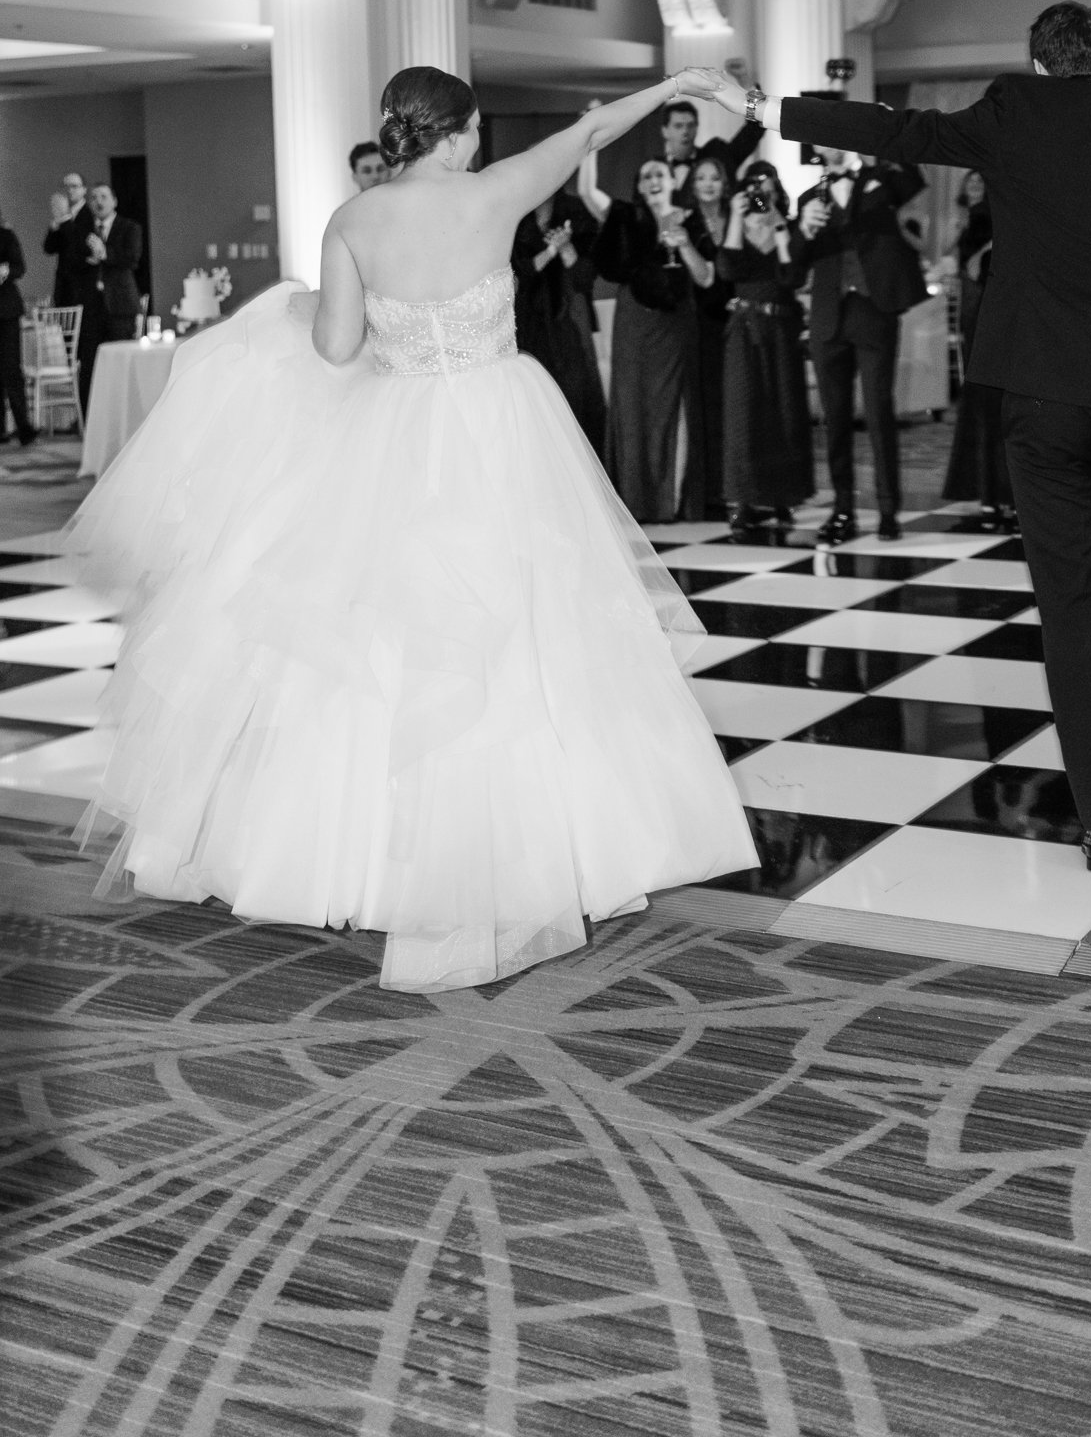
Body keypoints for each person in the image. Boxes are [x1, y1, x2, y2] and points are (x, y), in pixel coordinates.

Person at [64, 64, 756, 993]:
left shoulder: (354, 219)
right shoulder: (495, 192)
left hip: (391, 433)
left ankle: (363, 861)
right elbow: (592, 132)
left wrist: (312, 309)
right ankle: (530, 853)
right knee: (520, 631)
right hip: (500, 428)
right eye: (472, 130)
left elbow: (336, 349)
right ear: (459, 132)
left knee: (383, 644)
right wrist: (678, 84)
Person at [686, 2, 1091, 875]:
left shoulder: (1009, 114)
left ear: (1037, 64)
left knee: (1066, 604)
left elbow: (894, 131)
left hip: (1040, 398)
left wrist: (757, 106)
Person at [790, 148, 928, 545]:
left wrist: (876, 144)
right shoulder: (809, 199)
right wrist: (804, 229)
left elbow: (913, 179)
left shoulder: (882, 180)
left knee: (879, 411)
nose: (826, 144)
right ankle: (842, 509)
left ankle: (888, 510)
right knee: (834, 419)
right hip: (828, 317)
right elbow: (794, 268)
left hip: (874, 311)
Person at [578, 152, 716, 523]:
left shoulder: (689, 218)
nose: (654, 181)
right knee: (633, 405)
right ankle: (636, 501)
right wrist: (590, 148)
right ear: (639, 186)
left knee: (672, 406)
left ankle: (673, 500)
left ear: (672, 180)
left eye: (659, 174)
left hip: (675, 325)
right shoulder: (627, 217)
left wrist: (685, 244)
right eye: (646, 176)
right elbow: (588, 192)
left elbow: (705, 278)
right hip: (633, 323)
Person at [719, 166, 813, 534]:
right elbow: (727, 270)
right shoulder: (736, 228)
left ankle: (783, 497)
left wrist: (779, 227)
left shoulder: (787, 227)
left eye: (768, 192)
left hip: (781, 330)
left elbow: (793, 277)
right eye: (755, 192)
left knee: (784, 410)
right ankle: (742, 500)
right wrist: (735, 217)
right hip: (744, 330)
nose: (762, 198)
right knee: (743, 414)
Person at [510, 187, 606, 454]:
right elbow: (517, 276)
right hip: (526, 327)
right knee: (534, 404)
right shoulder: (515, 213)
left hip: (568, 321)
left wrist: (566, 248)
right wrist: (551, 250)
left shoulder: (576, 213)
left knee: (575, 398)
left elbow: (585, 277)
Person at [942, 170, 1012, 528]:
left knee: (989, 405)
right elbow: (949, 258)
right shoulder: (966, 219)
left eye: (980, 183)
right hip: (974, 311)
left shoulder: (990, 216)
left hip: (988, 310)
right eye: (970, 183)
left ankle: (994, 494)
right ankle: (990, 493)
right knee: (984, 405)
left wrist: (983, 250)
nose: (975, 187)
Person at [688, 154, 734, 515]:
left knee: (736, 406)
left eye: (714, 178)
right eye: (702, 178)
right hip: (701, 322)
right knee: (709, 406)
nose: (708, 184)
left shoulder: (736, 216)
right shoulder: (686, 222)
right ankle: (711, 489)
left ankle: (738, 485)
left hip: (737, 319)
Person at [75, 185, 144, 419]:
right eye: (94, 197)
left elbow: (132, 259)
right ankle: (91, 421)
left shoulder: (130, 227)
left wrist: (105, 253)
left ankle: (127, 417)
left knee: (122, 363)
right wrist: (88, 259)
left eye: (104, 197)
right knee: (90, 366)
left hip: (120, 307)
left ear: (114, 201)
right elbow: (71, 263)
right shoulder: (83, 231)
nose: (99, 201)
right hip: (91, 308)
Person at [660, 100, 759, 200]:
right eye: (678, 126)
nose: (685, 131)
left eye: (690, 125)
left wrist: (754, 100)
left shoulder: (716, 154)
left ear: (696, 128)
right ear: (665, 131)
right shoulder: (656, 167)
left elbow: (751, 132)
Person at [0, 211, 36, 446]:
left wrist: (5, 271)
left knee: (11, 368)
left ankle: (23, 426)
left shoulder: (6, 236)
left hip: (6, 310)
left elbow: (20, 267)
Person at [43, 171, 94, 308]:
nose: (69, 190)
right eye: (65, 186)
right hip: (63, 283)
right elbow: (49, 248)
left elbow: (80, 245)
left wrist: (65, 218)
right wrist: (53, 228)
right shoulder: (61, 215)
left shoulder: (90, 214)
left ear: (84, 189)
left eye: (74, 186)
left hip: (82, 283)